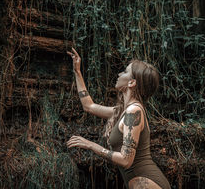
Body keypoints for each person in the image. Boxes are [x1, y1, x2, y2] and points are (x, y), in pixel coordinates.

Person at [66, 47, 171, 189]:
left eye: (125, 71)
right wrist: (77, 72)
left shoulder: (134, 112)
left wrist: (90, 145)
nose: (120, 74)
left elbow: (126, 160)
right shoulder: (124, 111)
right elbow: (88, 106)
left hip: (148, 182)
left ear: (132, 83)